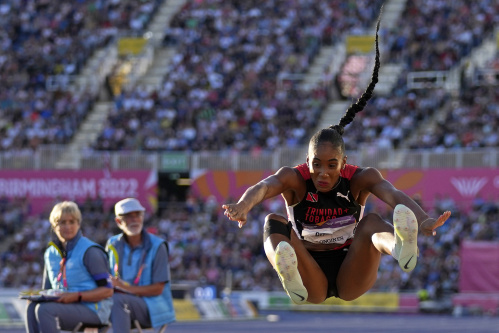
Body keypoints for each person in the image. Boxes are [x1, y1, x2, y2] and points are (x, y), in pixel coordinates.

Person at [222, 18, 452, 305]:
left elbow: (393, 195)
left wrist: (424, 220)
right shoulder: (296, 178)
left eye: (332, 165)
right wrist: (243, 206)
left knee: (371, 223)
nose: (323, 172)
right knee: (273, 221)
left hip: (351, 271)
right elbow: (264, 186)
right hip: (310, 275)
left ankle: (402, 246)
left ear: (344, 163)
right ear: (307, 160)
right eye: (316, 163)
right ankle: (286, 269)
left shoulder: (361, 178)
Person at [25, 201, 113, 332]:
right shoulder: (50, 253)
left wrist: (76, 296)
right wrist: (36, 296)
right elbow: (47, 289)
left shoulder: (90, 251)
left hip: (94, 309)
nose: (68, 226)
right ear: (54, 226)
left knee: (45, 310)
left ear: (78, 224)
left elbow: (107, 291)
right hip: (65, 307)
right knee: (32, 306)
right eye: (62, 222)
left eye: (72, 222)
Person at [106, 198, 175, 332]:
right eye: (129, 217)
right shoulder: (112, 244)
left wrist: (124, 288)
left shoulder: (158, 246)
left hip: (152, 306)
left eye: (137, 215)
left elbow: (158, 289)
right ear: (118, 222)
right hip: (120, 303)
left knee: (118, 300)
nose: (135, 220)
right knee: (92, 301)